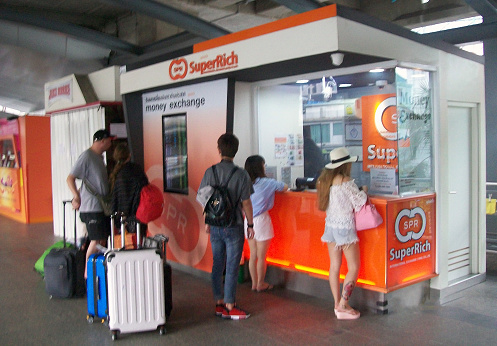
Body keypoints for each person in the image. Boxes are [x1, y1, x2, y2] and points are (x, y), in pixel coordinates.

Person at [198, 133, 255, 320]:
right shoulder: (241, 174)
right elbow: (246, 202)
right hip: (234, 225)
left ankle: (219, 303)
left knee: (218, 263)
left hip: (214, 225)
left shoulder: (210, 172)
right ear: (236, 151)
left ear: (219, 149)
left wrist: (207, 220)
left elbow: (204, 199)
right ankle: (231, 305)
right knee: (231, 265)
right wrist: (251, 224)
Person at [316, 147, 368, 320]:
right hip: (345, 227)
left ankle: (337, 303)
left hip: (330, 226)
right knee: (353, 266)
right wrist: (364, 191)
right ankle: (344, 305)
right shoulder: (346, 181)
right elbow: (360, 202)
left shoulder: (326, 182)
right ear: (346, 165)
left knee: (334, 266)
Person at [66, 129, 115, 278]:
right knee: (95, 239)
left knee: (101, 238)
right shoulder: (87, 156)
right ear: (101, 141)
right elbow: (70, 178)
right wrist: (76, 196)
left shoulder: (99, 158)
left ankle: (99, 270)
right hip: (91, 208)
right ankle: (87, 274)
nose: (110, 143)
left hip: (100, 207)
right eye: (109, 140)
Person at [244, 155, 288, 292]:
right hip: (262, 221)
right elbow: (285, 187)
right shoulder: (268, 182)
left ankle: (253, 284)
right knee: (261, 257)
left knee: (253, 255)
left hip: (248, 220)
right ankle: (260, 284)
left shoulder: (244, 182)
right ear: (260, 167)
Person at [109, 142, 149, 244]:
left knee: (125, 244)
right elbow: (145, 188)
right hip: (138, 215)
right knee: (139, 243)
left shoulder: (117, 174)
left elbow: (114, 199)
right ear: (129, 155)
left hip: (121, 218)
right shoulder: (136, 170)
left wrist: (114, 218)